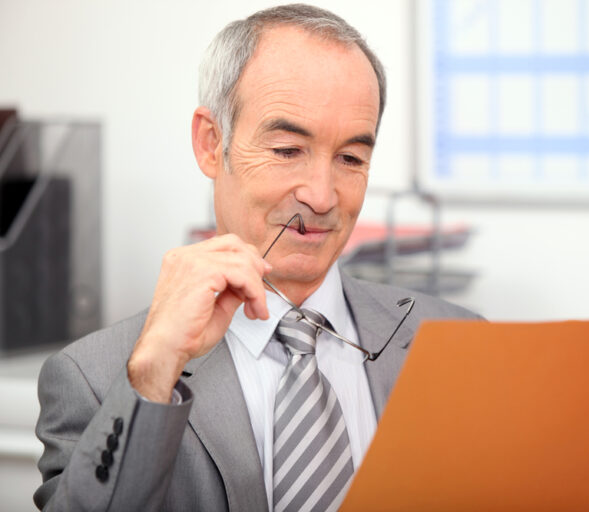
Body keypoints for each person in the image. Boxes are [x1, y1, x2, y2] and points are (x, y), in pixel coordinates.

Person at [34, 4, 480, 511]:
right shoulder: (94, 378)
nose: (322, 195)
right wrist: (154, 374)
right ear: (210, 144)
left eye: (351, 158)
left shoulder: (463, 343)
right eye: (288, 150)